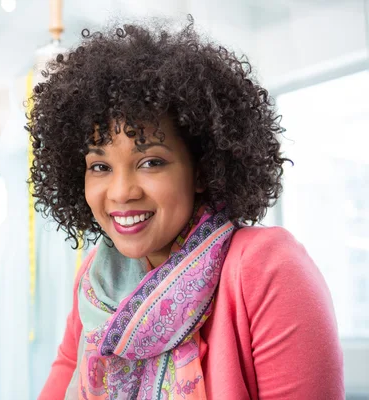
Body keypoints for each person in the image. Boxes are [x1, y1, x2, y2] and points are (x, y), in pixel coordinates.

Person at [28, 19, 344, 399]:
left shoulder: (268, 269)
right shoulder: (96, 284)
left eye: (150, 162)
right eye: (100, 167)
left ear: (201, 169)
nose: (121, 192)